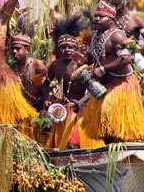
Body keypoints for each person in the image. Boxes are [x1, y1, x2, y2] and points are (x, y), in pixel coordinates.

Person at [78, 0, 144, 146]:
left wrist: (103, 69)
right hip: (105, 85)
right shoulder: (95, 36)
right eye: (96, 16)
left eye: (101, 16)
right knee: (102, 125)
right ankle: (110, 154)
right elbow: (91, 58)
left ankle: (128, 152)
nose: (97, 19)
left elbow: (125, 59)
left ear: (111, 20)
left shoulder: (116, 36)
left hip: (122, 85)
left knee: (116, 121)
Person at [43, 13, 101, 149]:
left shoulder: (80, 65)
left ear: (76, 49)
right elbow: (46, 82)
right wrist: (46, 99)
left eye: (70, 47)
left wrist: (80, 103)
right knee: (58, 142)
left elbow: (94, 89)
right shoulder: (55, 65)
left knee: (73, 144)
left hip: (81, 109)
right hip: (63, 109)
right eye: (63, 47)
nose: (66, 50)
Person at [11, 33, 46, 111]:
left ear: (27, 49)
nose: (14, 51)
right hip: (20, 109)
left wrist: (45, 104)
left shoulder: (37, 65)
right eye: (12, 48)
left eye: (18, 48)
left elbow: (45, 86)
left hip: (38, 108)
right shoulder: (12, 68)